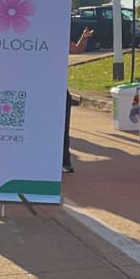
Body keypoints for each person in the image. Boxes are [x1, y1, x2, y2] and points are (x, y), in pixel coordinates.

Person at [64, 27, 93, 173]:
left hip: (59, 88)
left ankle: (65, 162)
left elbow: (77, 50)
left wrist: (84, 37)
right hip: (38, 88)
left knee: (62, 127)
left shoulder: (60, 37)